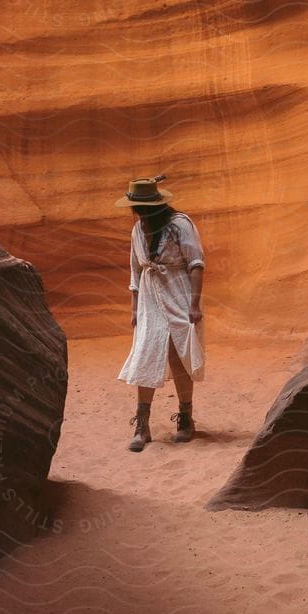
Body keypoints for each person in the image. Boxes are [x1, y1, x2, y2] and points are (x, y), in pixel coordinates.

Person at [116, 175, 204, 451]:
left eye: (143, 208)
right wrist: (134, 308)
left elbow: (196, 263)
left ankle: (186, 419)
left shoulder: (180, 225)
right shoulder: (137, 230)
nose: (140, 213)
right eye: (137, 209)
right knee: (146, 353)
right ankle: (143, 425)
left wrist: (194, 303)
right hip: (150, 297)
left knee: (179, 356)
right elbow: (136, 270)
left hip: (178, 293)